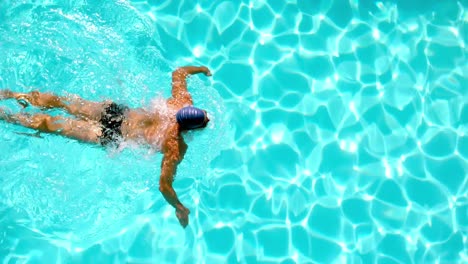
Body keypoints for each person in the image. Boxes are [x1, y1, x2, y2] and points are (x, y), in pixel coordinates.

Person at [0, 65, 212, 228]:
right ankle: (9, 116)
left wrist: (200, 69)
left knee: (63, 103)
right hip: (112, 136)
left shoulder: (180, 102)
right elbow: (164, 185)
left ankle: (13, 95)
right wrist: (179, 206)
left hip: (114, 112)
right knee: (56, 125)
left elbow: (179, 72)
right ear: (190, 129)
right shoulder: (175, 145)